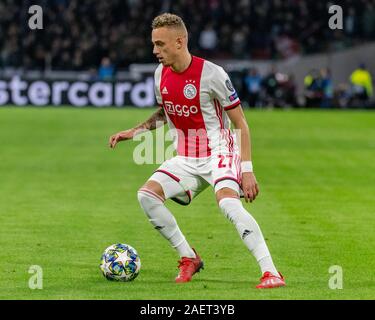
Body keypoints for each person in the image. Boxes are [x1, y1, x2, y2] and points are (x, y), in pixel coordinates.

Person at [109, 13, 285, 289]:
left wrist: (247, 171)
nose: (155, 51)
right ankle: (189, 257)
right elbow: (165, 113)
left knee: (228, 203)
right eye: (153, 44)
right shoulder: (160, 74)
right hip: (186, 157)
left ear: (180, 42)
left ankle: (271, 272)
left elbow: (240, 122)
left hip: (219, 151)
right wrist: (135, 132)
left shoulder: (212, 74)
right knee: (146, 196)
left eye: (160, 44)